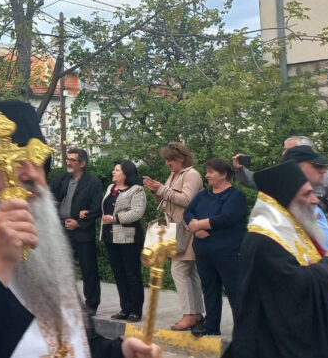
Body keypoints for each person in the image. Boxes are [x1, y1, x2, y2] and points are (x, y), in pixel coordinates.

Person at [0, 100, 161, 358]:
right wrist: (0, 266)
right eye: (13, 164)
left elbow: (71, 339)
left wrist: (118, 352)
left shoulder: (42, 236)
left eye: (37, 162)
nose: (32, 176)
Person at [222, 160, 328, 358]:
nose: (315, 200)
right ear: (284, 199)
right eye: (306, 194)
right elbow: (295, 292)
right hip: (272, 346)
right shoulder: (264, 240)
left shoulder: (293, 229)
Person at [143, 142, 205, 331]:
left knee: (179, 271)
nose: (168, 163)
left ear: (182, 158)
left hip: (187, 229)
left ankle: (189, 315)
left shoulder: (192, 175)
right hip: (176, 229)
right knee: (188, 272)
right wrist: (156, 191)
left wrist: (162, 189)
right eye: (166, 159)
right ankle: (195, 314)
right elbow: (168, 200)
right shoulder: (174, 175)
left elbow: (186, 200)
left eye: (171, 159)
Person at [183, 159, 248, 337]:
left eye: (210, 172)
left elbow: (227, 217)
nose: (207, 175)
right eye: (206, 172)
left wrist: (198, 225)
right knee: (210, 288)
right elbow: (188, 212)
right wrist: (195, 229)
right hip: (204, 251)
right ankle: (211, 325)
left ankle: (243, 328)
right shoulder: (204, 195)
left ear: (224, 174)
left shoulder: (235, 196)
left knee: (235, 290)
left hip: (228, 252)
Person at [50, 147, 103, 314]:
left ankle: (91, 304)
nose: (68, 162)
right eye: (68, 159)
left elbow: (97, 209)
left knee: (88, 269)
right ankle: (67, 301)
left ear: (82, 163)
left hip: (82, 231)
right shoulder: (61, 179)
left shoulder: (93, 182)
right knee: (64, 268)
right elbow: (50, 197)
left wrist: (79, 222)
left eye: (73, 160)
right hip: (62, 229)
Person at [100, 161, 146, 322]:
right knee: (119, 275)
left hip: (129, 238)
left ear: (126, 173)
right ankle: (124, 308)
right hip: (110, 237)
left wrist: (114, 219)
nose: (113, 172)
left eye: (117, 170)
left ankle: (135, 310)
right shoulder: (110, 189)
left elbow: (137, 212)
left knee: (132, 274)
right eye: (114, 170)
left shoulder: (137, 190)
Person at [281, 146, 328, 249]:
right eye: (317, 166)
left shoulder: (306, 202)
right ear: (295, 167)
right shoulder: (291, 204)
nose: (324, 170)